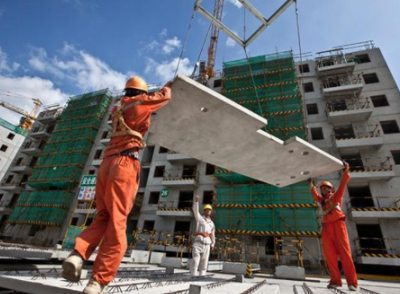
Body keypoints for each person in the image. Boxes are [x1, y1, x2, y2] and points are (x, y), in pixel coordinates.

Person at [62, 76, 172, 294]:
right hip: (125, 163)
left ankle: (77, 255)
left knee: (102, 216)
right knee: (118, 221)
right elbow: (165, 96)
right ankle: (98, 281)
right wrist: (168, 85)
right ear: (140, 92)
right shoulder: (142, 102)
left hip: (106, 164)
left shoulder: (117, 108)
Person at [308, 162, 358, 291]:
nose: (323, 190)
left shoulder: (336, 196)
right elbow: (315, 195)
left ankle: (352, 283)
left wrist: (346, 171)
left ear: (331, 189)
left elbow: (342, 185)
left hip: (338, 225)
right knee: (329, 255)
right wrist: (311, 184)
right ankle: (335, 281)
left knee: (345, 254)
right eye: (322, 188)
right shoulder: (322, 200)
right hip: (327, 228)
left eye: (326, 188)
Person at [190, 195, 215, 277]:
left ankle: (202, 276)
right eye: (207, 210)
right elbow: (195, 211)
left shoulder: (212, 223)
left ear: (211, 212)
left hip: (207, 244)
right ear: (204, 211)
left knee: (204, 262)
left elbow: (212, 235)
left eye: (209, 210)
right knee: (195, 261)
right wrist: (196, 202)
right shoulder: (200, 219)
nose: (208, 211)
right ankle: (193, 276)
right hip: (198, 242)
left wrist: (213, 244)